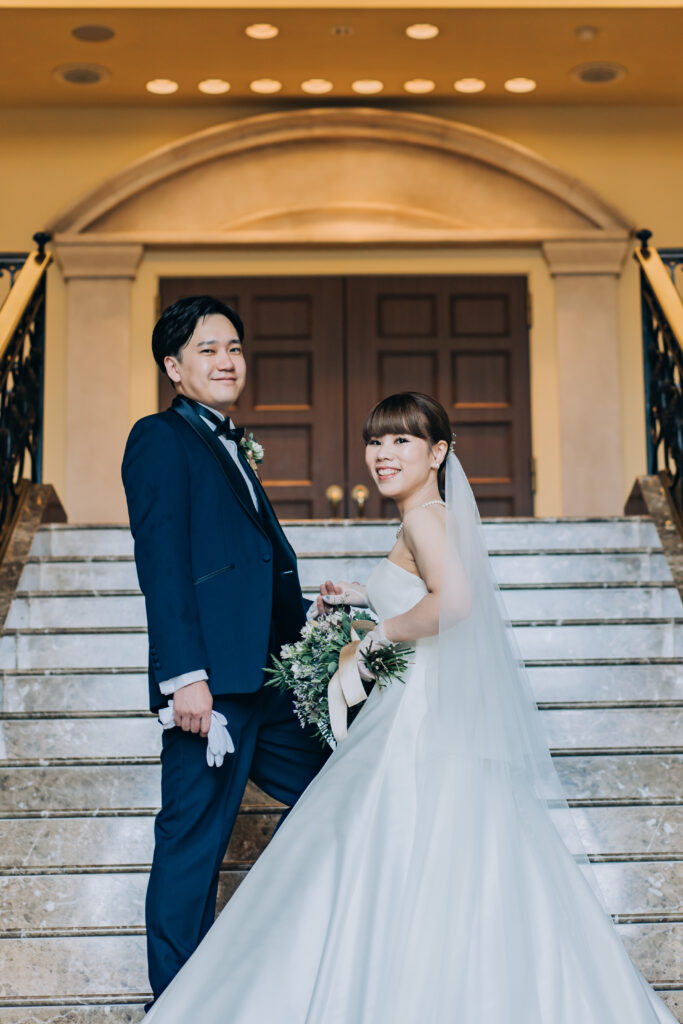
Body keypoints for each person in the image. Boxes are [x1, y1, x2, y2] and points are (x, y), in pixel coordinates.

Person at [143, 391, 676, 1023]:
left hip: (416, 719)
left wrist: (377, 638)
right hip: (416, 705)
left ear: (438, 452)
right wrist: (364, 598)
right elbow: (425, 594)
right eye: (375, 441)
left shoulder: (425, 519)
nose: (383, 454)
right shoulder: (425, 519)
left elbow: (453, 603)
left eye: (402, 440)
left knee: (377, 847)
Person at [121, 296, 328, 1009]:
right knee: (191, 844)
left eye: (234, 347)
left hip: (271, 680)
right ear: (173, 368)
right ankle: (177, 1005)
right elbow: (164, 562)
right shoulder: (160, 437)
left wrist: (309, 626)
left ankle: (294, 955)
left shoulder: (230, 444)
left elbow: (250, 564)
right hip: (211, 688)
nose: (226, 360)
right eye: (207, 349)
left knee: (344, 783)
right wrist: (185, 676)